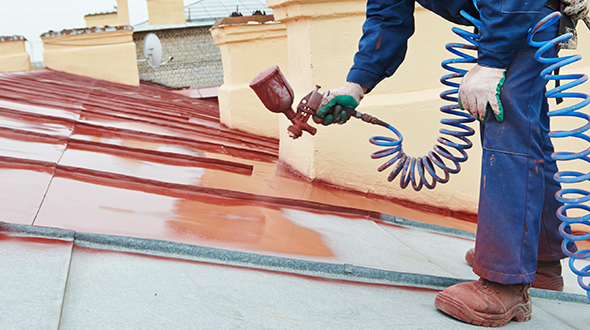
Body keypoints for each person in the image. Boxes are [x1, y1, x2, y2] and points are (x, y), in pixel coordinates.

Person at [315, 0, 587, 327]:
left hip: (522, 10)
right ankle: (540, 261)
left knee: (506, 121)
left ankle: (505, 284)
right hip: (503, 17)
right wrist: (356, 84)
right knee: (528, 133)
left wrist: (492, 62)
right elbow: (388, 12)